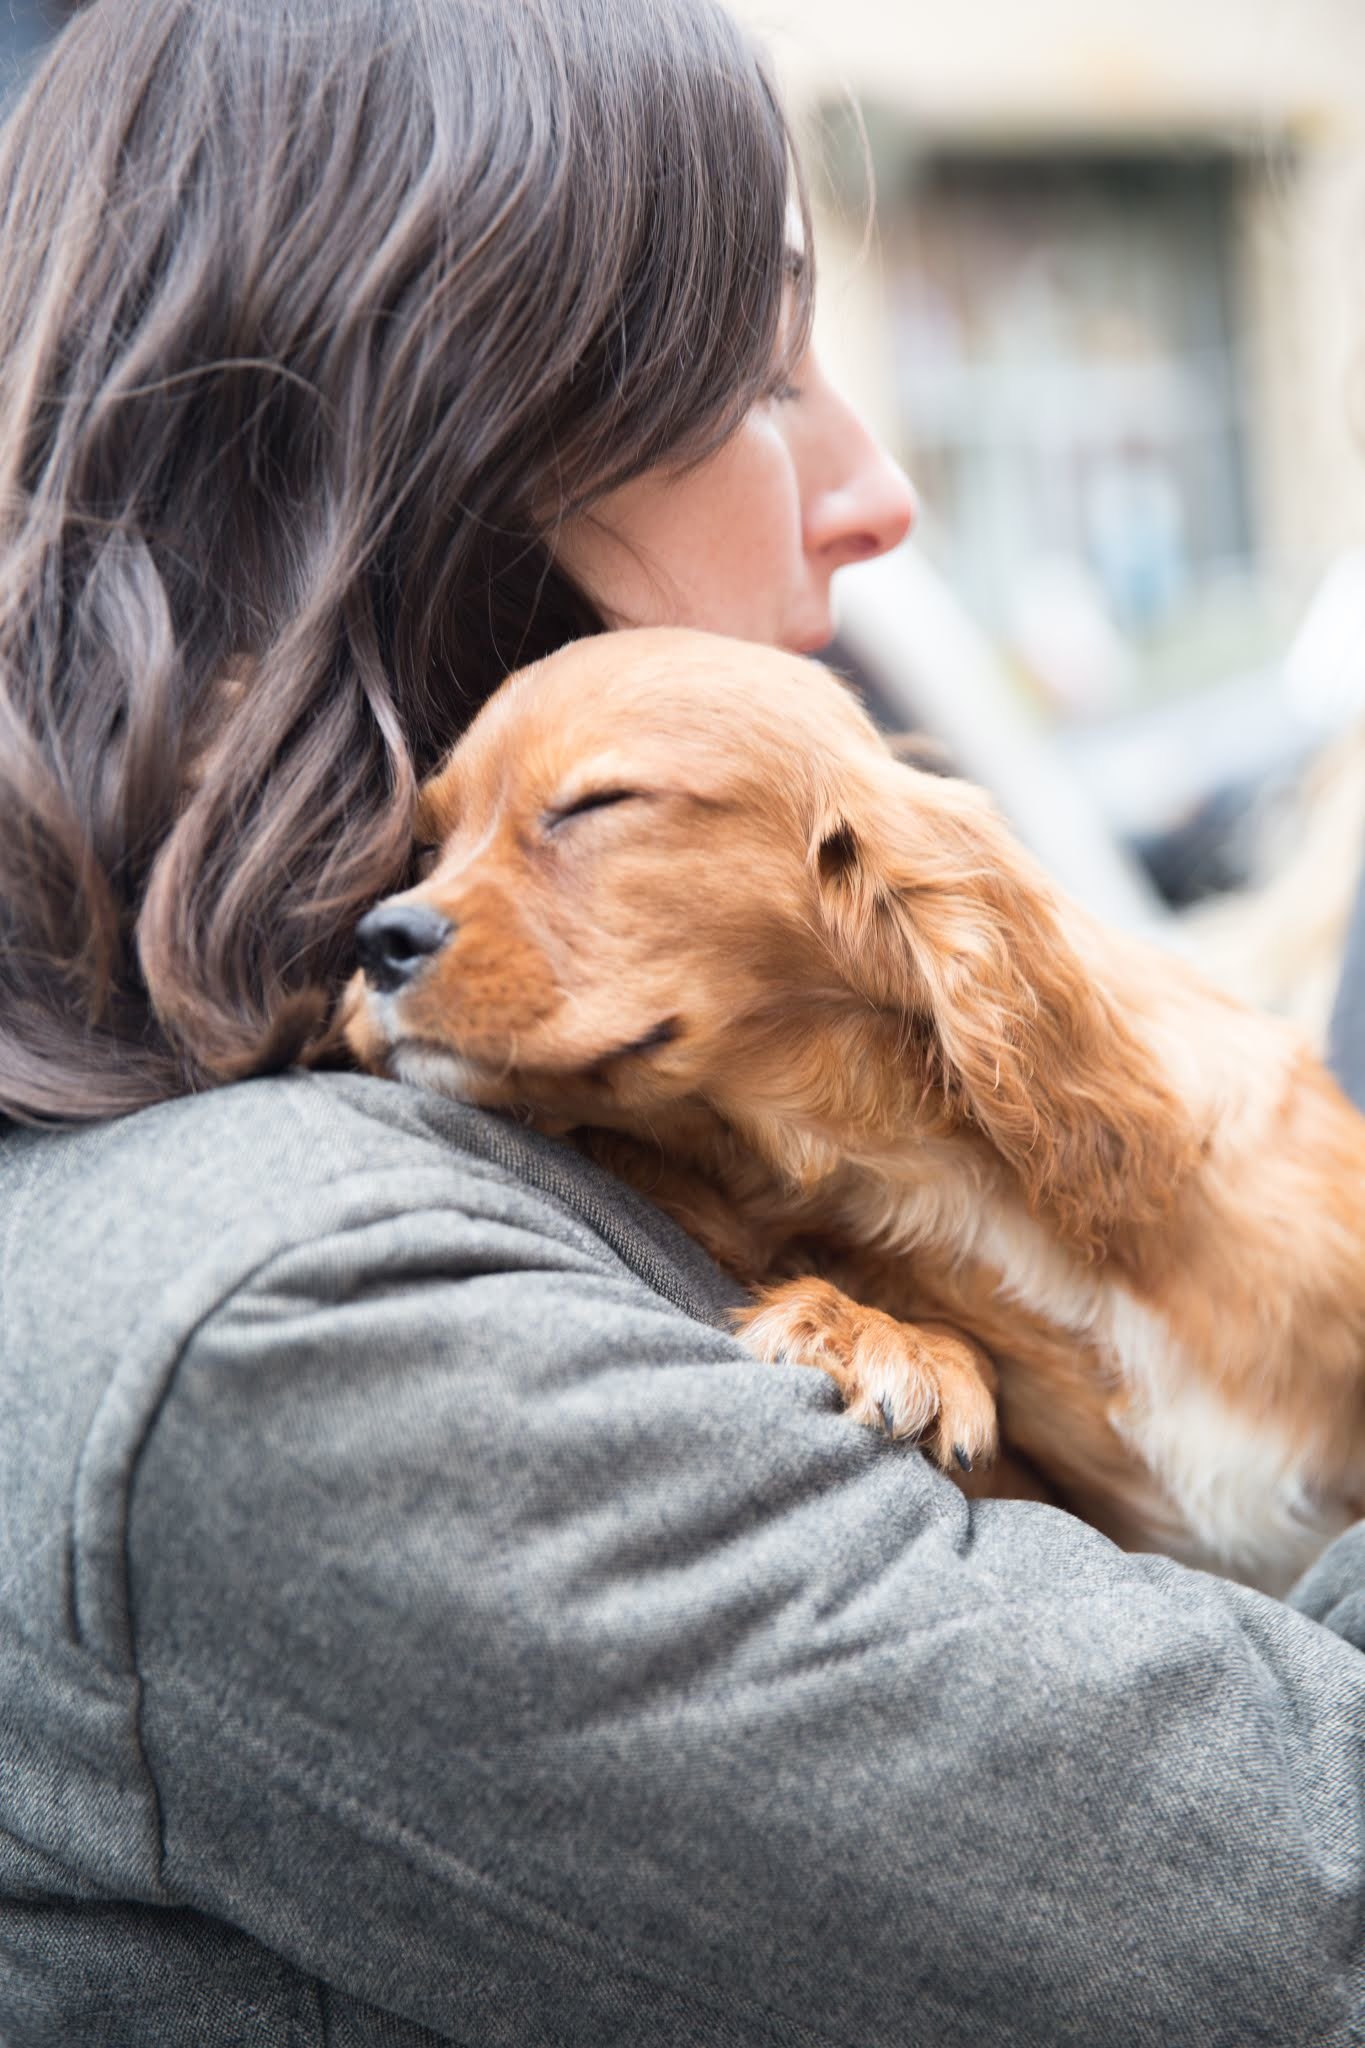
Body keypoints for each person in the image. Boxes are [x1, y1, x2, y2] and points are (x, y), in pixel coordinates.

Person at [0, 2, 1361, 2043]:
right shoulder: (294, 1328)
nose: (876, 488)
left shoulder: (492, 1145)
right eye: (759, 375)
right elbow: (1294, 1898)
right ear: (429, 462)